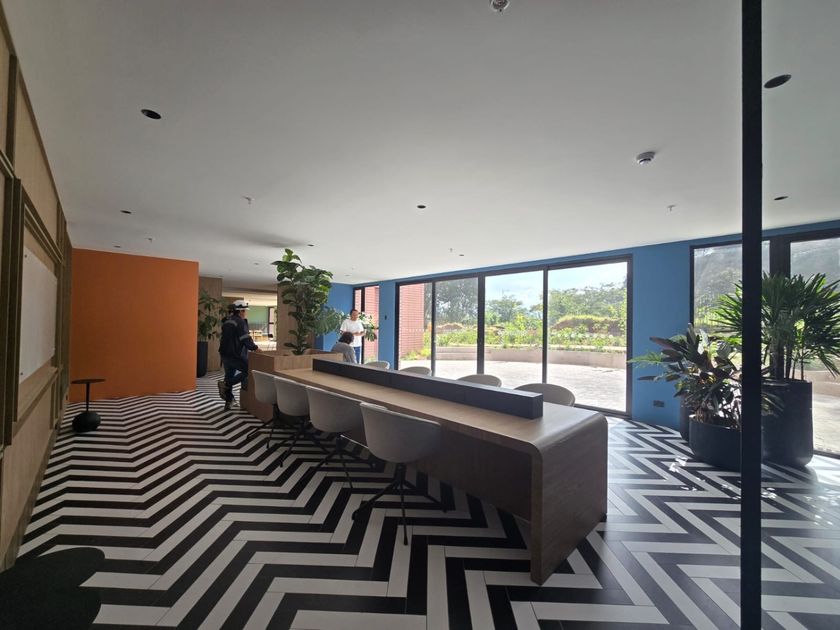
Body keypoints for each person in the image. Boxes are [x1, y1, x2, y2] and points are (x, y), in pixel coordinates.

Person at [218, 300, 259, 410]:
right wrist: (255, 348)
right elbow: (245, 337)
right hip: (235, 354)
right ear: (240, 311)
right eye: (245, 311)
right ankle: (227, 384)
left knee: (229, 375)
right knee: (249, 370)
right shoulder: (240, 322)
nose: (245, 313)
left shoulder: (227, 321)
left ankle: (229, 402)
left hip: (224, 353)